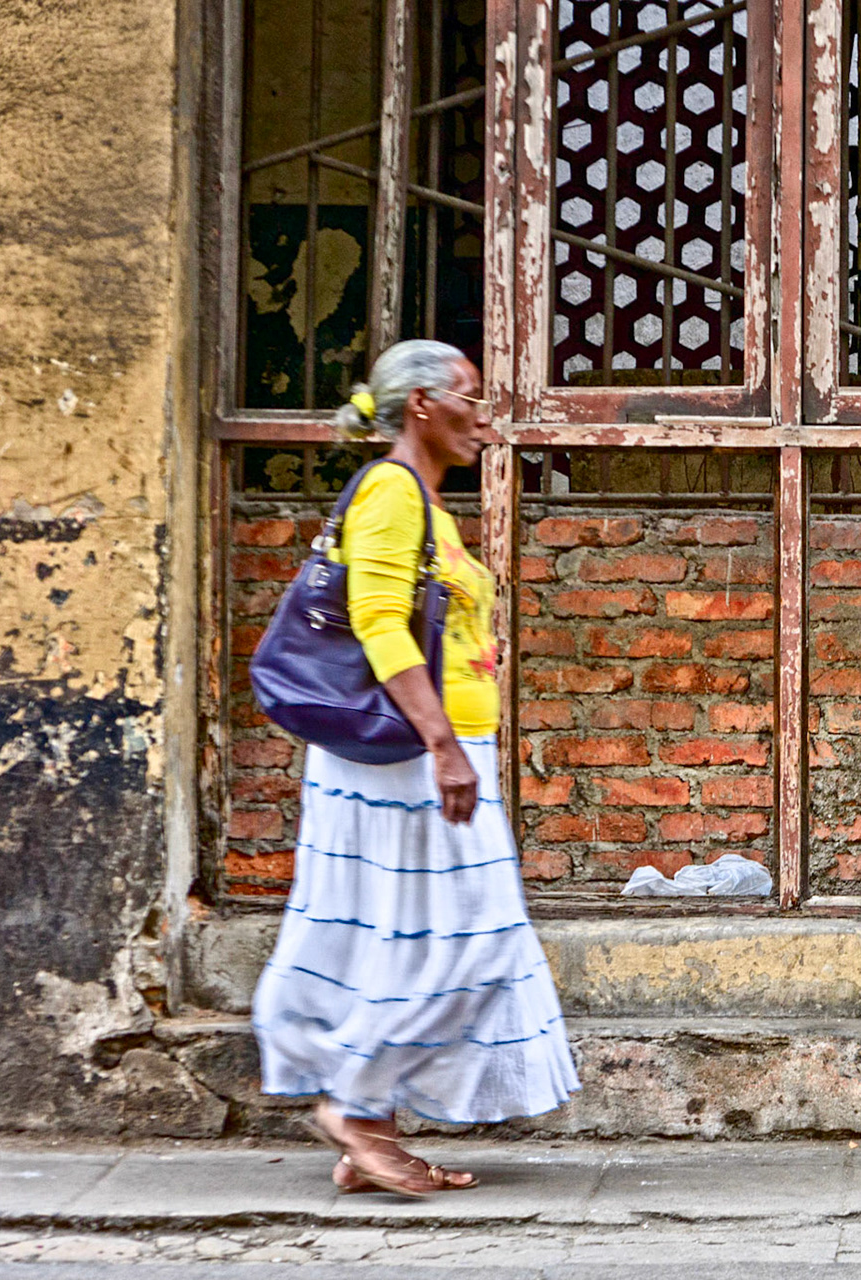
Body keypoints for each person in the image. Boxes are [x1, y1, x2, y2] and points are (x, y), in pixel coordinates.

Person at [251, 339, 580, 1197]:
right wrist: (442, 744)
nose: (485, 414)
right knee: (474, 937)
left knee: (397, 935)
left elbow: (427, 624)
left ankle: (370, 1129)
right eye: (470, 395)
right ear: (424, 405)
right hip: (409, 759)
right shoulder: (395, 492)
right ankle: (357, 1111)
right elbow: (379, 624)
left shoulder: (425, 503)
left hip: (424, 753)